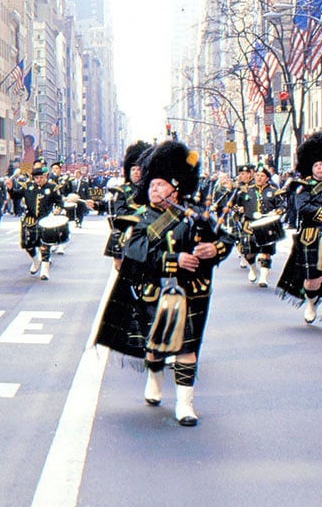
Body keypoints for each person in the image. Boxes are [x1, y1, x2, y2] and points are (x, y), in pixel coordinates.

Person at [94, 141, 234, 426]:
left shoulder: (197, 215)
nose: (153, 191)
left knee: (187, 348)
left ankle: (185, 404)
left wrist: (214, 250)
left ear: (176, 187)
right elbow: (136, 251)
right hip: (155, 290)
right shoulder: (141, 218)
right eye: (151, 185)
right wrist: (174, 259)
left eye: (160, 185)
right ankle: (155, 379)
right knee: (155, 346)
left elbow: (227, 238)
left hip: (190, 292)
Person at [276, 133, 322, 326]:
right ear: (311, 167)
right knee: (312, 281)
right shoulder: (302, 187)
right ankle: (312, 303)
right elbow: (303, 208)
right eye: (317, 165)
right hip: (311, 237)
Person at [8, 165, 64, 280]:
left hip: (45, 219)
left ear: (45, 176)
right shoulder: (27, 187)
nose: (39, 180)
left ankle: (45, 270)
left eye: (41, 177)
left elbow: (59, 202)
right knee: (27, 244)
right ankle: (35, 260)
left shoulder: (52, 188)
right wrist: (10, 189)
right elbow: (15, 196)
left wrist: (57, 209)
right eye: (36, 178)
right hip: (30, 219)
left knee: (45, 245)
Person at [105, 141, 151, 269]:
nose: (136, 172)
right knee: (119, 264)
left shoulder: (151, 189)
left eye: (139, 169)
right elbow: (120, 212)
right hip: (126, 227)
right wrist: (139, 214)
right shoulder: (122, 191)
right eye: (133, 169)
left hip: (148, 226)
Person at [237, 166, 282, 287]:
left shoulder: (273, 191)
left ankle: (263, 278)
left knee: (266, 252)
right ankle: (252, 269)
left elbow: (282, 206)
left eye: (262, 176)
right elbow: (236, 204)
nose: (259, 178)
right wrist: (239, 209)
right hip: (250, 224)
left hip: (267, 225)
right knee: (248, 253)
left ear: (267, 178)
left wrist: (277, 212)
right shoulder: (247, 190)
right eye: (257, 175)